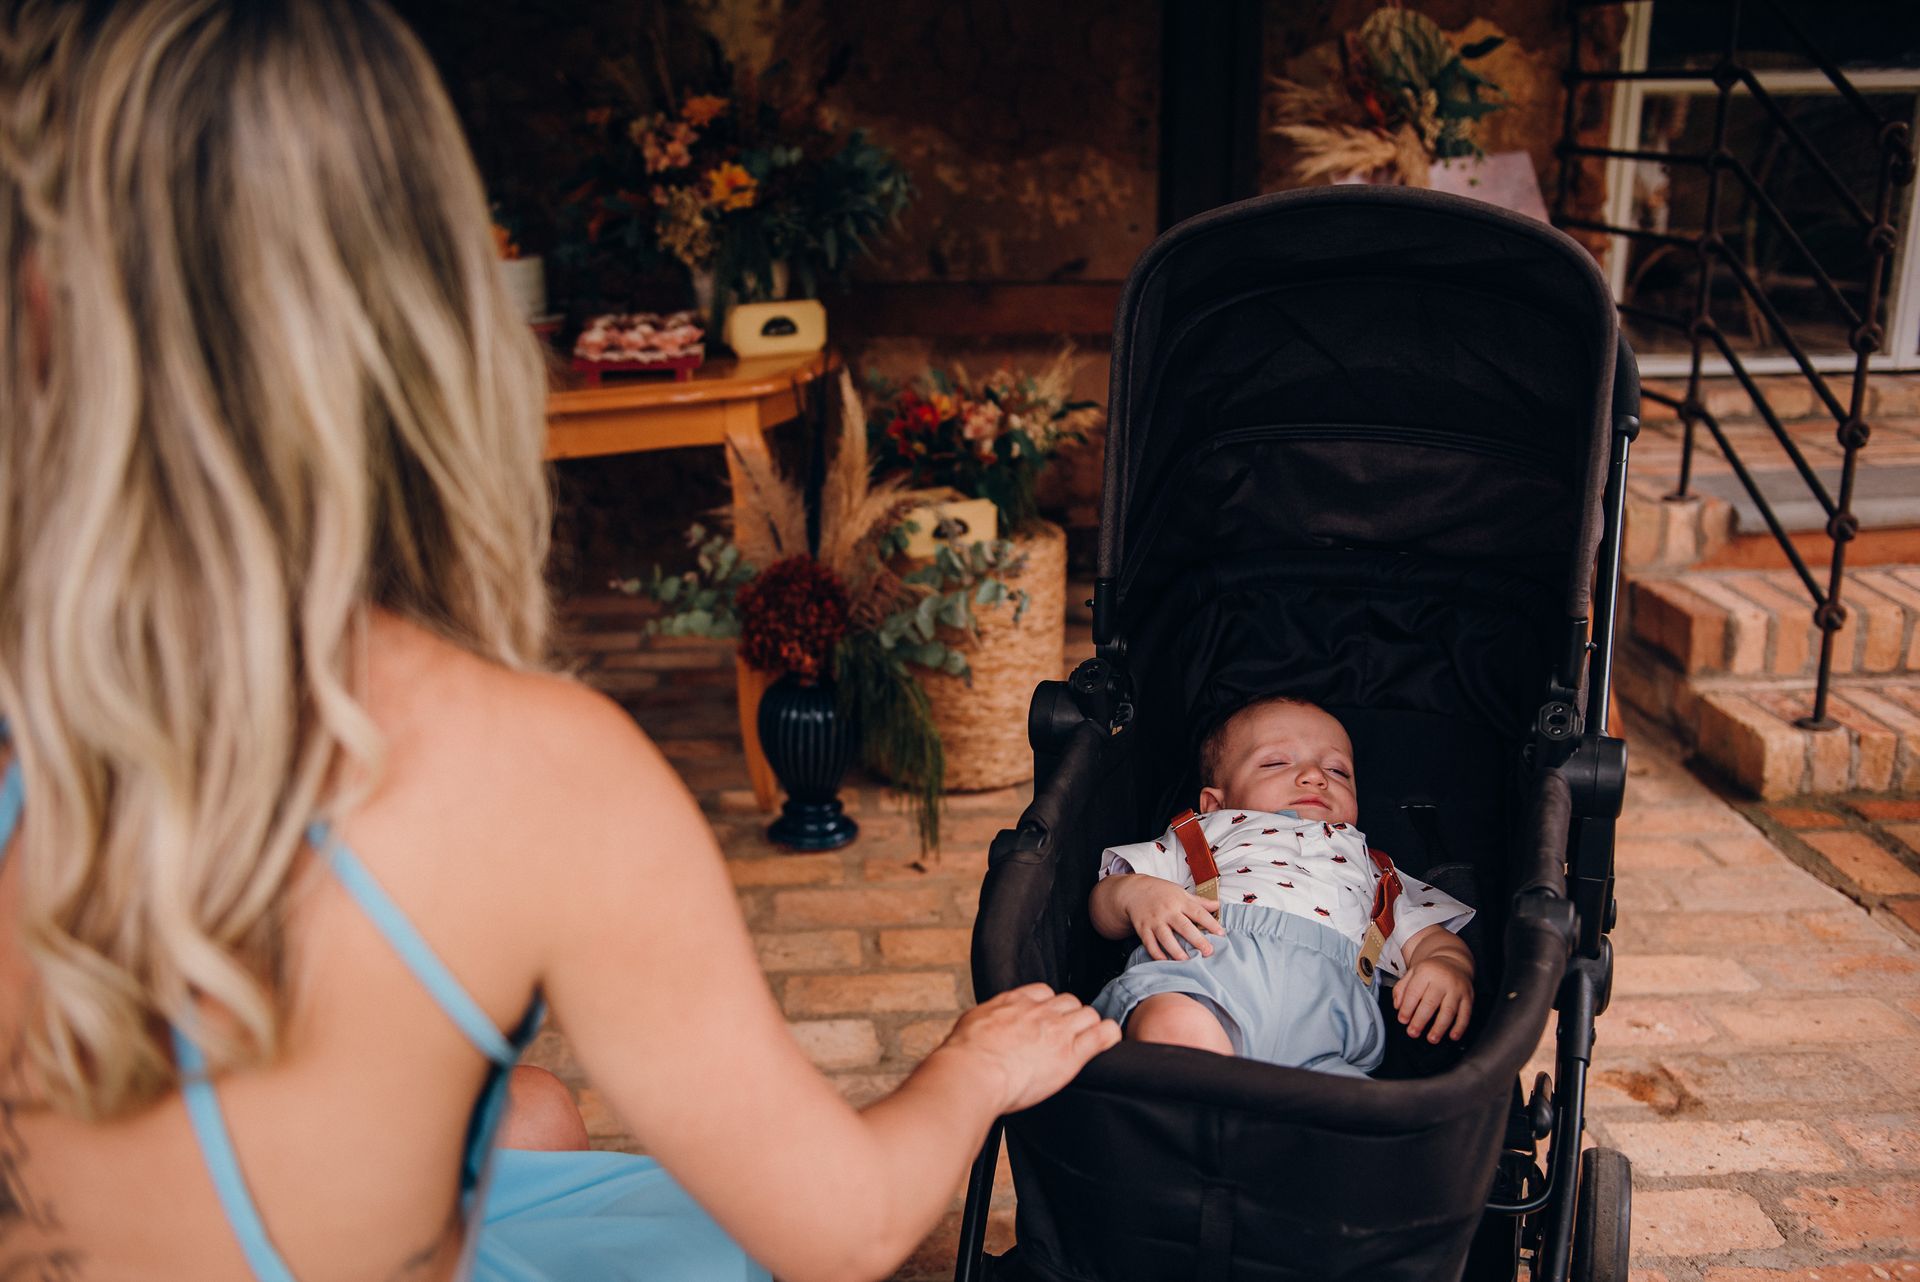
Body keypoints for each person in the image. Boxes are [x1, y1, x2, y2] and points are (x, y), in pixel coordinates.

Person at [0, 2, 1119, 1280]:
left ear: (39, 302)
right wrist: (969, 1066)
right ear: (432, 323)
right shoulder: (534, 774)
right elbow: (846, 1226)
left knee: (525, 1112)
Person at [1086, 696, 1475, 1076]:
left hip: (1329, 1022)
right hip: (1206, 977)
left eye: (1338, 771)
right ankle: (1203, 1119)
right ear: (1215, 804)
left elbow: (1429, 939)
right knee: (1173, 1025)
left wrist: (1446, 964)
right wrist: (1137, 895)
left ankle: (1237, 1127)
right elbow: (1106, 901)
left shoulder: (1375, 870)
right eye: (1276, 762)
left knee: (1360, 1115)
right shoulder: (1201, 834)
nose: (1315, 776)